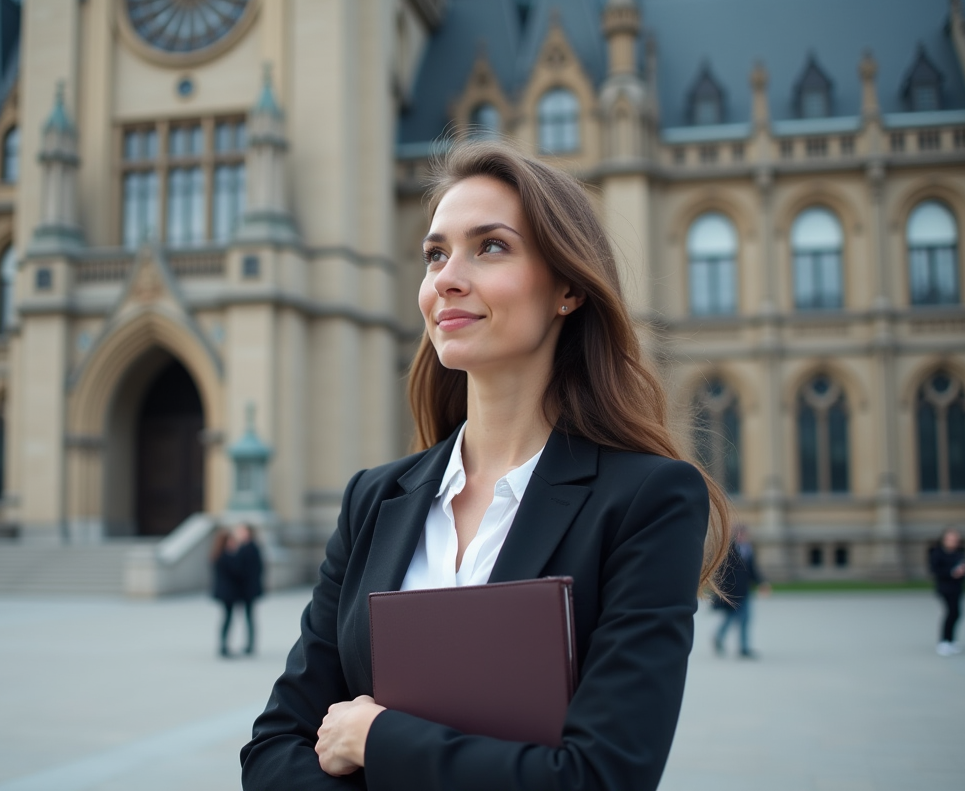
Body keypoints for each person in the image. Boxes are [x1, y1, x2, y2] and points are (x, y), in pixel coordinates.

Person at [241, 139, 732, 791]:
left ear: (566, 289)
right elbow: (275, 750)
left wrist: (377, 737)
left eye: (490, 246)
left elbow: (600, 776)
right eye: (435, 254)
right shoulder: (372, 500)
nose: (445, 276)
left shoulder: (647, 501)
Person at [712, 525, 769, 658]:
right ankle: (718, 637)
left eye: (745, 535)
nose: (743, 537)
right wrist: (721, 591)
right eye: (741, 535)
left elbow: (752, 570)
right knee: (731, 618)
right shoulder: (728, 550)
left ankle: (744, 648)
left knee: (745, 619)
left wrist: (761, 583)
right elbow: (721, 572)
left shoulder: (748, 549)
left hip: (745, 591)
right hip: (732, 591)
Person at [212, 523, 264, 657]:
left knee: (244, 617)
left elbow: (250, 571)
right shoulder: (227, 554)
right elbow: (237, 571)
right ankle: (225, 646)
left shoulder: (250, 548)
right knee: (231, 618)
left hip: (244, 591)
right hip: (231, 592)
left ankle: (247, 645)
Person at [928, 528, 965, 656]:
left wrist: (962, 573)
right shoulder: (937, 553)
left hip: (957, 588)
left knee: (957, 613)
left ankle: (951, 640)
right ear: (944, 540)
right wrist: (952, 573)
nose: (953, 542)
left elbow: (964, 573)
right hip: (944, 588)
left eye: (955, 539)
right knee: (950, 613)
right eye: (950, 539)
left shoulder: (960, 553)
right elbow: (935, 571)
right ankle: (944, 641)